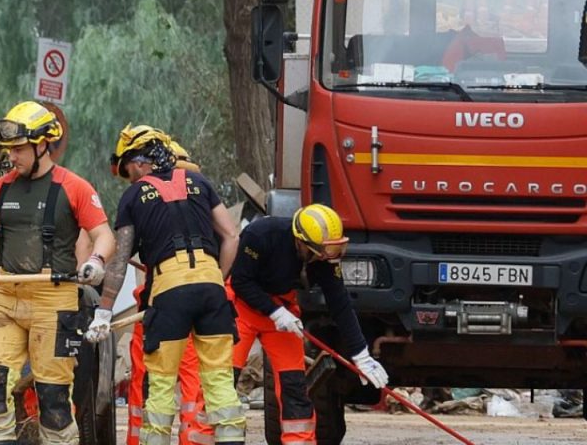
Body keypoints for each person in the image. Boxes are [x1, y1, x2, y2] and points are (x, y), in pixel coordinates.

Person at [0, 101, 115, 444]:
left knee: (53, 398)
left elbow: (104, 236)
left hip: (54, 301)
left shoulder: (74, 187)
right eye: (9, 149)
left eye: (19, 149)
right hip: (6, 296)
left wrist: (95, 262)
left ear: (43, 145)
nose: (13, 156)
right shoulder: (0, 189)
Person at [88, 125, 245, 444]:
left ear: (142, 160)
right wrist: (218, 277)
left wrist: (104, 311)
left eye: (127, 167)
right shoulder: (201, 182)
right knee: (219, 382)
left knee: (160, 385)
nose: (129, 176)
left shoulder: (133, 195)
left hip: (169, 291)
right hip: (211, 288)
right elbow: (231, 236)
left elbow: (119, 261)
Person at [229, 204, 389, 444]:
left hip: (283, 312)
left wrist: (361, 354)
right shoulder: (261, 235)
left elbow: (340, 304)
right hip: (243, 307)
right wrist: (274, 312)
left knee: (294, 386)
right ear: (301, 242)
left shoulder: (323, 257)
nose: (326, 256)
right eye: (321, 251)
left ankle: (299, 440)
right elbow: (241, 281)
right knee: (222, 379)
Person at [109, 129, 212, 445]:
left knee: (153, 380)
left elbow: (125, 250)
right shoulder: (201, 195)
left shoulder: (147, 196)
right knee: (192, 380)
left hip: (161, 304)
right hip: (197, 299)